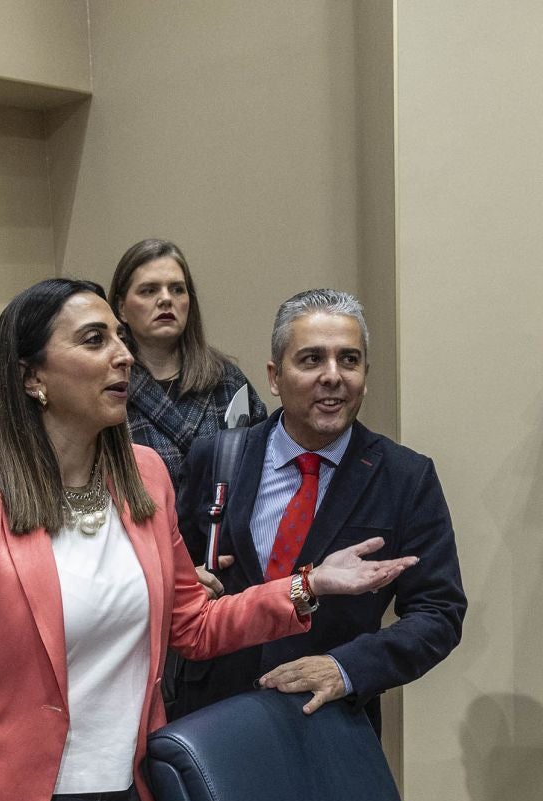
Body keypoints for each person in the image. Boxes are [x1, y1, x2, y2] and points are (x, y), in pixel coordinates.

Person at [0, 278, 411, 801]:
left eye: (120, 336)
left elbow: (193, 627)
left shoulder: (144, 476)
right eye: (95, 340)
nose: (124, 355)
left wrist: (309, 585)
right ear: (33, 377)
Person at [171, 288, 466, 731]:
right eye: (311, 360)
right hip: (210, 715)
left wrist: (345, 669)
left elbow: (439, 612)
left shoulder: (405, 478)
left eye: (349, 360)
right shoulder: (215, 458)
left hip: (326, 721)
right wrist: (183, 582)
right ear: (274, 377)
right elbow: (173, 576)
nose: (333, 376)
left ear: (365, 375)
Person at [108, 238, 266, 485]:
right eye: (149, 290)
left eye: (177, 289)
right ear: (121, 308)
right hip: (138, 520)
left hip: (218, 522)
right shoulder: (109, 382)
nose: (165, 299)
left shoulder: (226, 381)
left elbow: (261, 467)